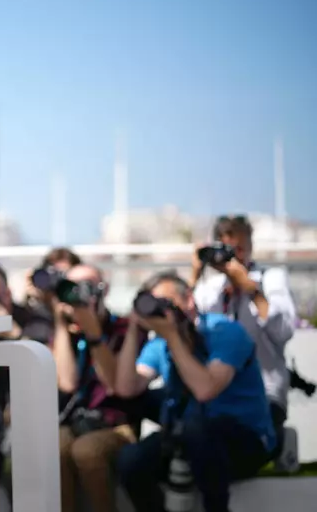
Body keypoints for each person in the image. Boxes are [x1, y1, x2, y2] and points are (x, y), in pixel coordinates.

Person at [115, 271, 275, 512]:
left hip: (243, 439)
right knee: (130, 461)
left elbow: (205, 390)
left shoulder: (224, 331)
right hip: (189, 437)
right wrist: (133, 329)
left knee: (198, 430)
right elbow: (127, 388)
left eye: (164, 302)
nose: (159, 310)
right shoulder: (159, 343)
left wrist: (171, 335)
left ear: (188, 300)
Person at [191, 215, 296, 456]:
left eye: (238, 249)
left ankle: (275, 440)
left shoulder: (270, 279)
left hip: (265, 392)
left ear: (250, 247)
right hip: (219, 392)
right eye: (226, 250)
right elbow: (185, 326)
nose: (233, 257)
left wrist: (250, 289)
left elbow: (284, 331)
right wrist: (196, 272)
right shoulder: (210, 289)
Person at [53, 265, 137, 512]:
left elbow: (114, 385)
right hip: (75, 421)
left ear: (104, 289)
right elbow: (66, 382)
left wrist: (94, 335)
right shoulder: (67, 334)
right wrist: (60, 325)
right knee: (53, 445)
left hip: (117, 423)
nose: (79, 294)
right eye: (72, 288)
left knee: (87, 451)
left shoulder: (123, 328)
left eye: (87, 286)